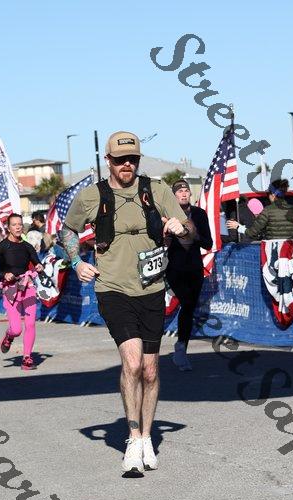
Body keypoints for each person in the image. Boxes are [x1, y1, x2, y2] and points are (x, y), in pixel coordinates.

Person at [62, 131, 195, 474]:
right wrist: (76, 262)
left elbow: (190, 232)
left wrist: (181, 229)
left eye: (132, 159)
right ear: (108, 160)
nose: (127, 165)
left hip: (151, 288)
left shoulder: (157, 190)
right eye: (121, 160)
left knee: (151, 370)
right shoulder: (93, 195)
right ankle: (133, 439)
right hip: (113, 288)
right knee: (133, 363)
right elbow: (67, 230)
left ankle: (147, 436)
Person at [165, 180, 212, 371]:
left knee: (189, 307)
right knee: (185, 302)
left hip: (194, 267)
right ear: (174, 196)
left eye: (186, 190)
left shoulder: (199, 214)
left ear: (190, 194)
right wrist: (166, 236)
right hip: (173, 267)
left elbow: (208, 243)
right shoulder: (167, 214)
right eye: (179, 191)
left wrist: (193, 234)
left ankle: (181, 348)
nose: (184, 194)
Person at [0, 213, 44, 371]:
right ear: (8, 228)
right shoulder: (3, 246)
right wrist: (3, 274)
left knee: (30, 324)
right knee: (17, 329)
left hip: (27, 287)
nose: (18, 227)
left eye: (20, 224)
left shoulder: (27, 246)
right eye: (14, 225)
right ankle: (9, 335)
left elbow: (37, 262)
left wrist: (39, 266)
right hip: (11, 289)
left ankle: (27, 358)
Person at [227, 179, 293, 240]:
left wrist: (238, 227)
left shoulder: (268, 210)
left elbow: (252, 232)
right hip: (291, 251)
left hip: (274, 250)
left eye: (268, 194)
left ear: (273, 195)